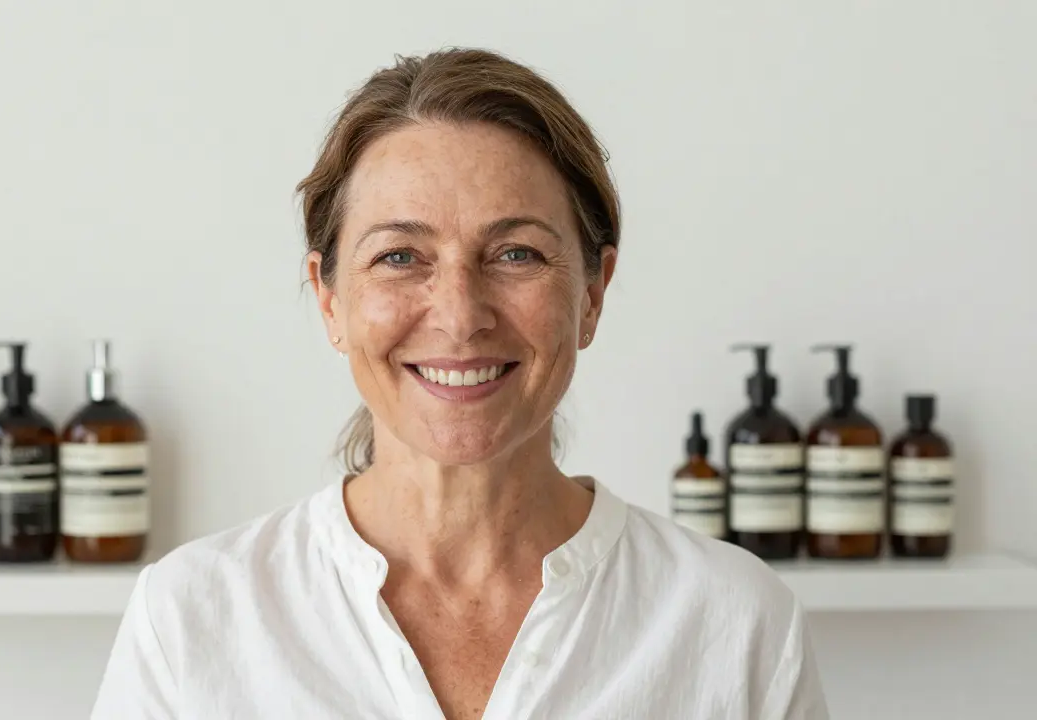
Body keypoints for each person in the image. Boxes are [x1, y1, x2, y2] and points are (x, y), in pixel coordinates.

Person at [90, 47, 829, 720]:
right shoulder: (193, 620)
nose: (460, 316)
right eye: (401, 257)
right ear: (330, 299)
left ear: (593, 294)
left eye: (515, 253)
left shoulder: (734, 624)